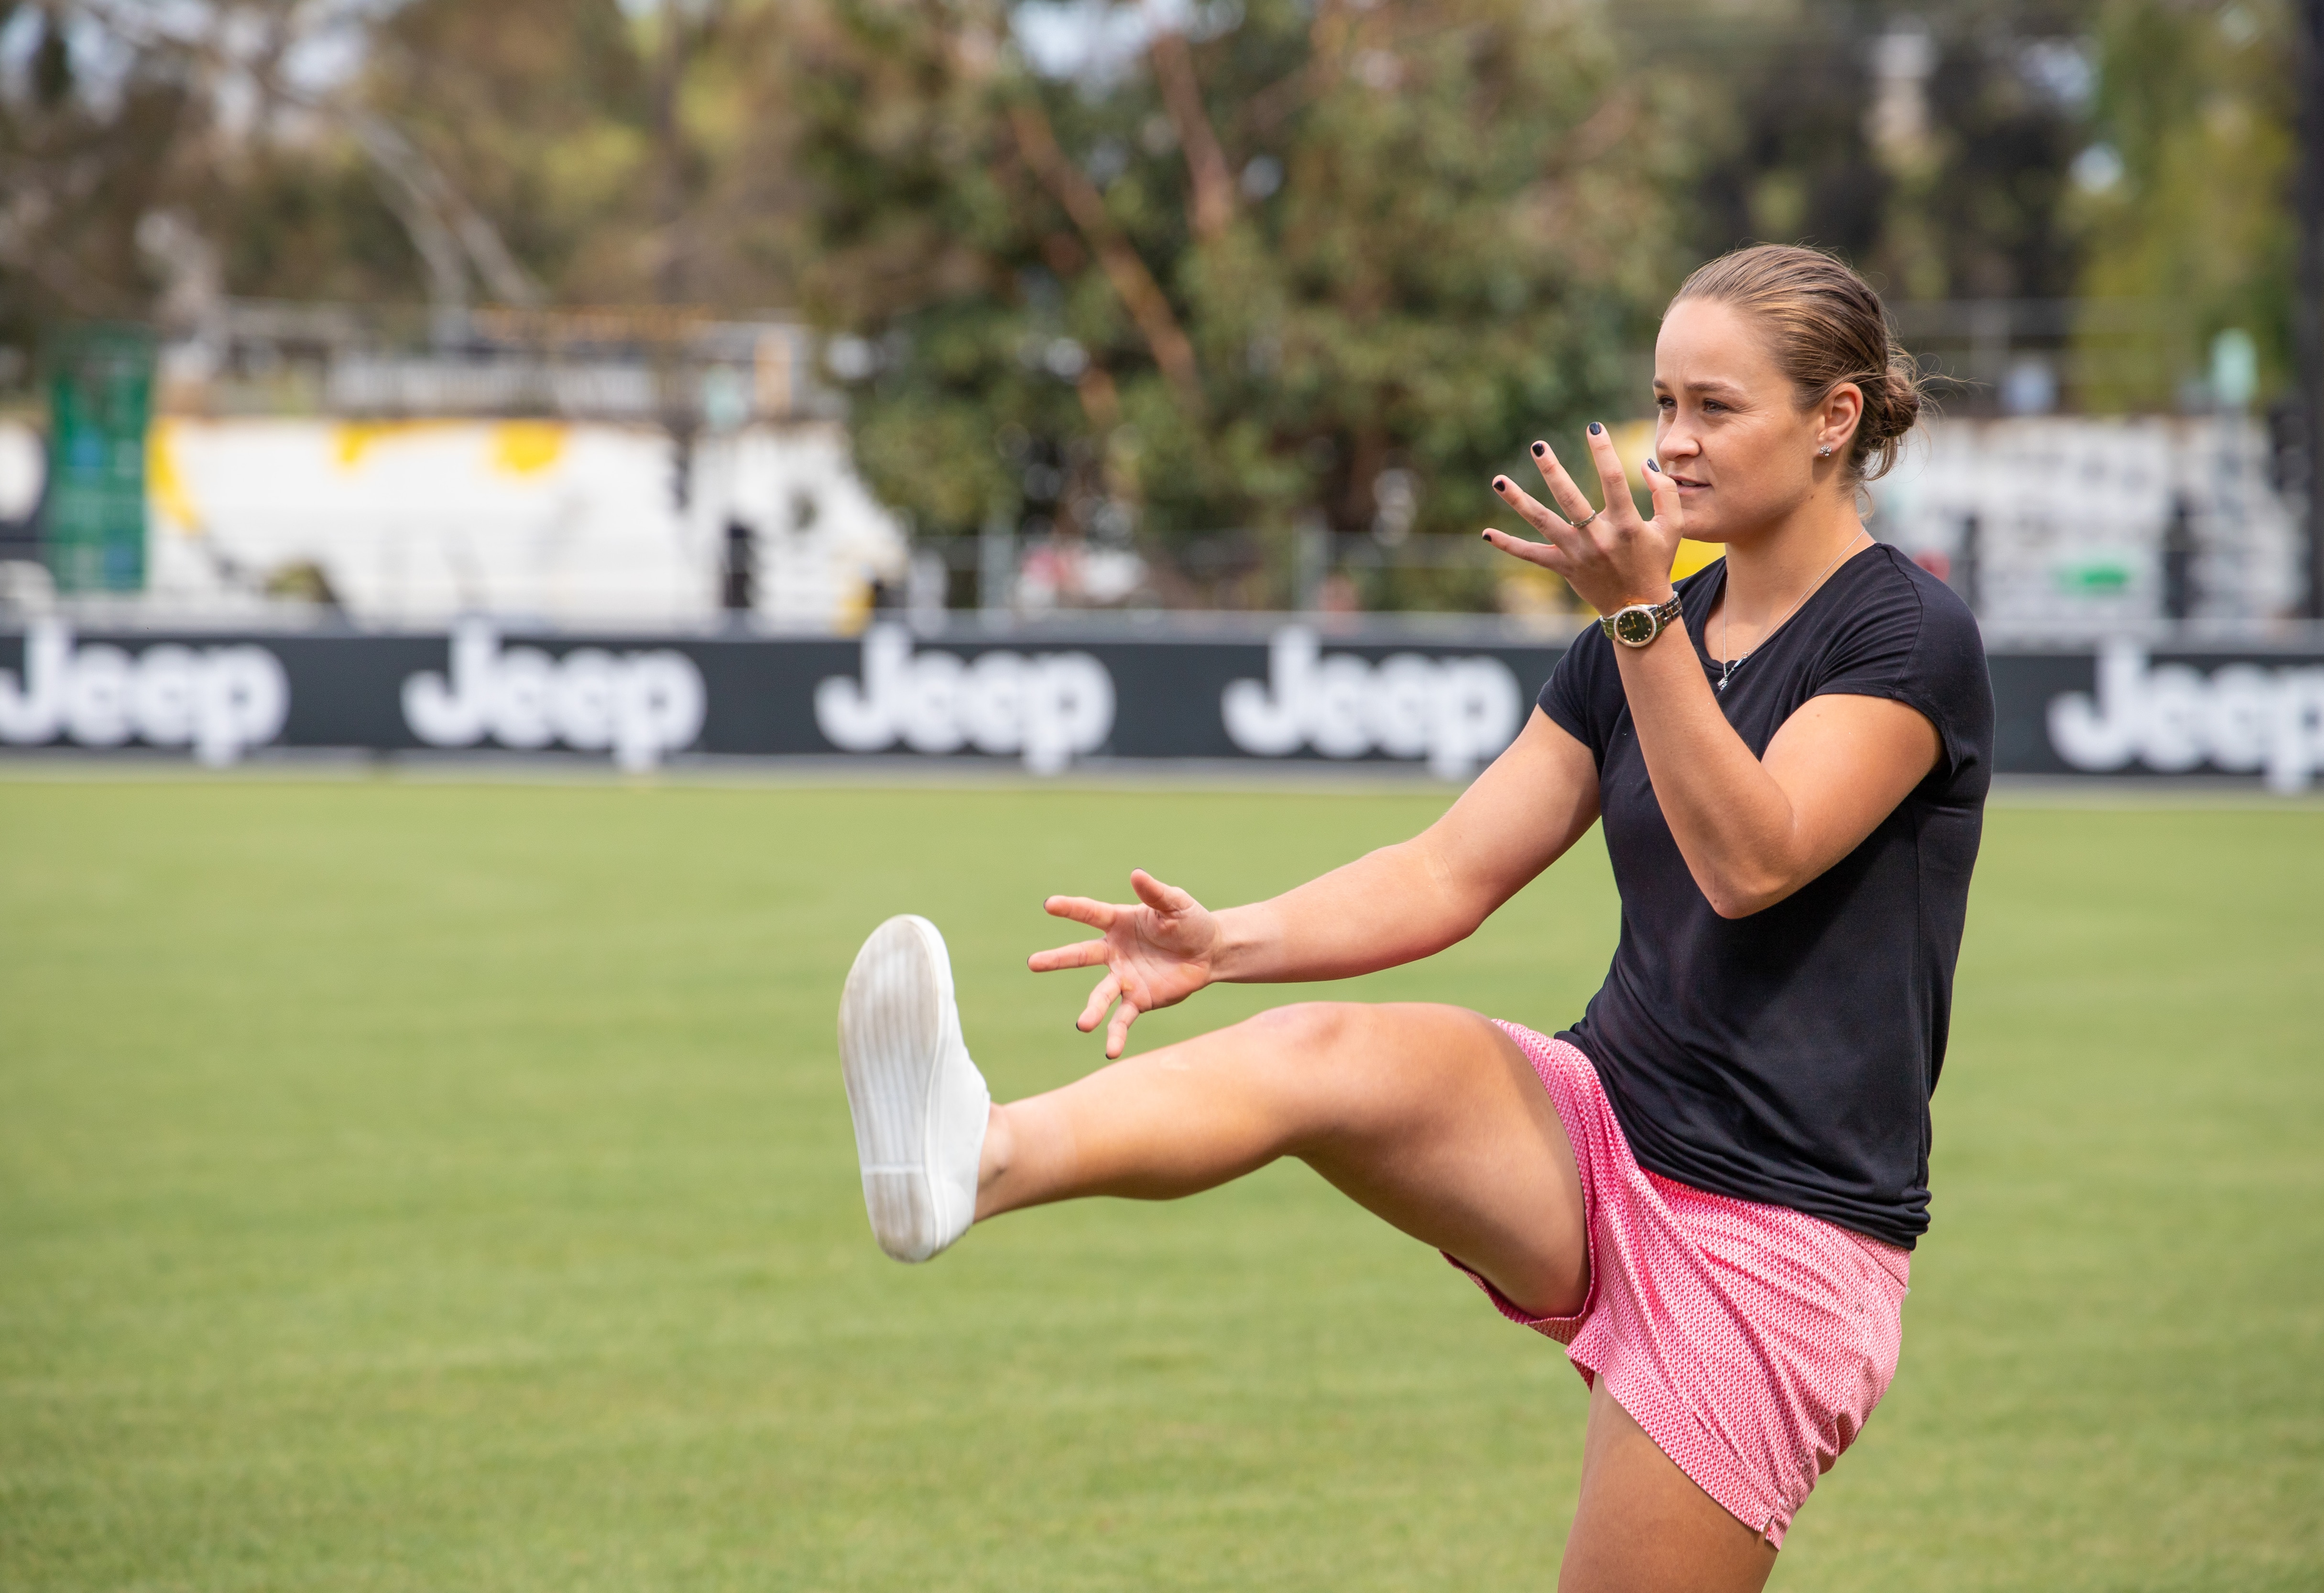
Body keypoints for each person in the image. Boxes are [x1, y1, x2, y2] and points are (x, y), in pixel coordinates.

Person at [835, 243, 1994, 1593]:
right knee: (1325, 1055)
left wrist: (1634, 616)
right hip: (1605, 1128)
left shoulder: (1902, 638)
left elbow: (1755, 857)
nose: (1671, 443)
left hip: (1780, 1231)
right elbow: (1451, 871)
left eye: (1715, 408)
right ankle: (972, 1159)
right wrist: (1229, 943)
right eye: (1663, 401)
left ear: (1834, 418)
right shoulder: (1647, 635)